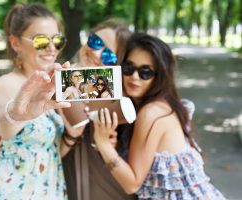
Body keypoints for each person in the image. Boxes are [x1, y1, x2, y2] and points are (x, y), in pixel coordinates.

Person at [0, 18, 134, 200]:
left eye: (108, 55)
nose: (96, 53)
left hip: (106, 191)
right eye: (95, 42)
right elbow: (44, 149)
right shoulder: (56, 80)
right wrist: (11, 135)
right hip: (63, 187)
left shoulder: (120, 96)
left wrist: (112, 143)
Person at [92, 33, 226, 199]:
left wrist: (103, 142)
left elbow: (132, 184)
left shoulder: (152, 113)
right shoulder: (155, 105)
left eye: (145, 72)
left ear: (159, 76)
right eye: (129, 68)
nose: (134, 76)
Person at [0, 3, 79, 199]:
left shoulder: (52, 84)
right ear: (15, 43)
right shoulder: (9, 83)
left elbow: (49, 153)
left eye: (57, 40)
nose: (51, 48)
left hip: (49, 189)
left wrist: (72, 135)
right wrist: (14, 111)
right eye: (40, 41)